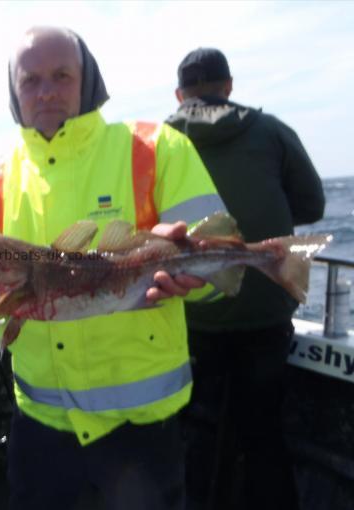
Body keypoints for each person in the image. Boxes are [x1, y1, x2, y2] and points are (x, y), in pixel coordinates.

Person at [0, 27, 227, 510]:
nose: (46, 91)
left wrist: (195, 280)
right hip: (42, 429)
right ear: (14, 93)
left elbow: (221, 260)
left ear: (88, 80)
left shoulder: (156, 146)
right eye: (30, 80)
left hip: (142, 430)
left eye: (61, 75)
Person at [166, 48, 326, 510]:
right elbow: (312, 206)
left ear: (179, 95)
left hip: (192, 310)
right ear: (229, 86)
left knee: (194, 435)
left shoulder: (158, 139)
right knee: (263, 435)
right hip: (265, 307)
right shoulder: (271, 130)